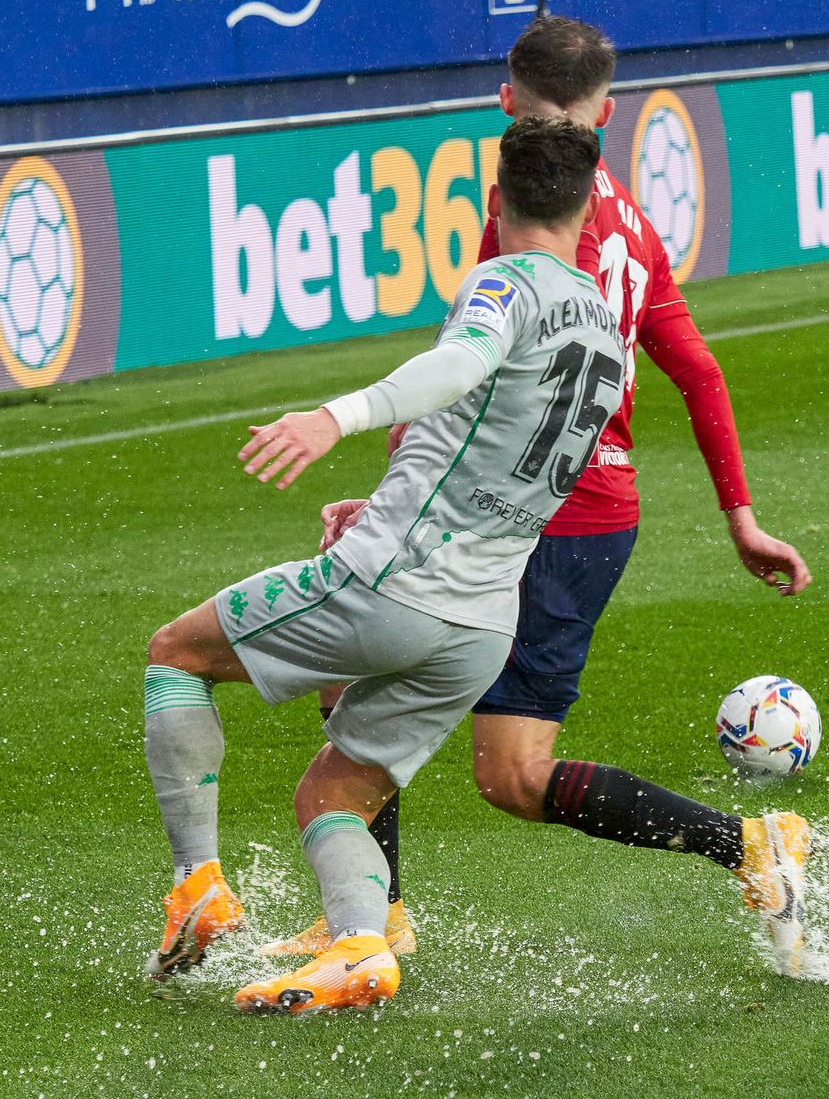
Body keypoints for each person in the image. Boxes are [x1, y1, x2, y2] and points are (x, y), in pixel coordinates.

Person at [265, 16, 813, 968]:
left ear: (506, 97)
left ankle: (746, 845)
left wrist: (399, 495)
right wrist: (742, 519)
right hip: (591, 516)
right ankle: (372, 912)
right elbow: (699, 371)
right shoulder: (630, 222)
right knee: (419, 717)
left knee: (486, 756)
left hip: (523, 509)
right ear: (608, 109)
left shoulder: (530, 217)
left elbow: (462, 373)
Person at [141, 116, 657, 1015]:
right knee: (335, 789)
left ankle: (198, 885)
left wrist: (332, 419)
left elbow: (459, 368)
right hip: (486, 620)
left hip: (396, 580)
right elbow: (502, 446)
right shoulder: (610, 335)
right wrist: (392, 497)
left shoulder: (503, 281)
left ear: (494, 204)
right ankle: (360, 947)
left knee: (177, 654)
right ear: (587, 209)